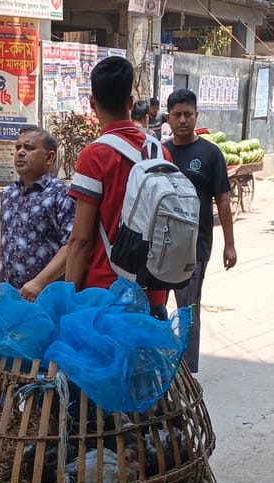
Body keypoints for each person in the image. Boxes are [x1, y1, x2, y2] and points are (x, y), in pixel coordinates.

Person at [65, 56, 172, 317]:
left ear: (92, 104)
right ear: (130, 103)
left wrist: (67, 301)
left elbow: (80, 240)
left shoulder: (95, 156)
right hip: (153, 294)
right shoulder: (159, 153)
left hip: (104, 297)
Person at [163, 88, 237, 373]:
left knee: (188, 309)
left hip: (195, 245)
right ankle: (161, 366)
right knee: (156, 308)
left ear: (196, 116)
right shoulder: (161, 151)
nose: (182, 120)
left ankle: (188, 371)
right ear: (168, 117)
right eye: (177, 115)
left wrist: (229, 245)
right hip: (160, 244)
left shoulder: (210, 154)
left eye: (188, 114)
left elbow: (223, 201)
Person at [0, 125, 75, 301]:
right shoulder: (8, 194)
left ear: (49, 158)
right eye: (18, 147)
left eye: (29, 148)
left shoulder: (61, 194)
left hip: (45, 298)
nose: (20, 152)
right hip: (10, 298)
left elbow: (71, 246)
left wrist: (40, 282)